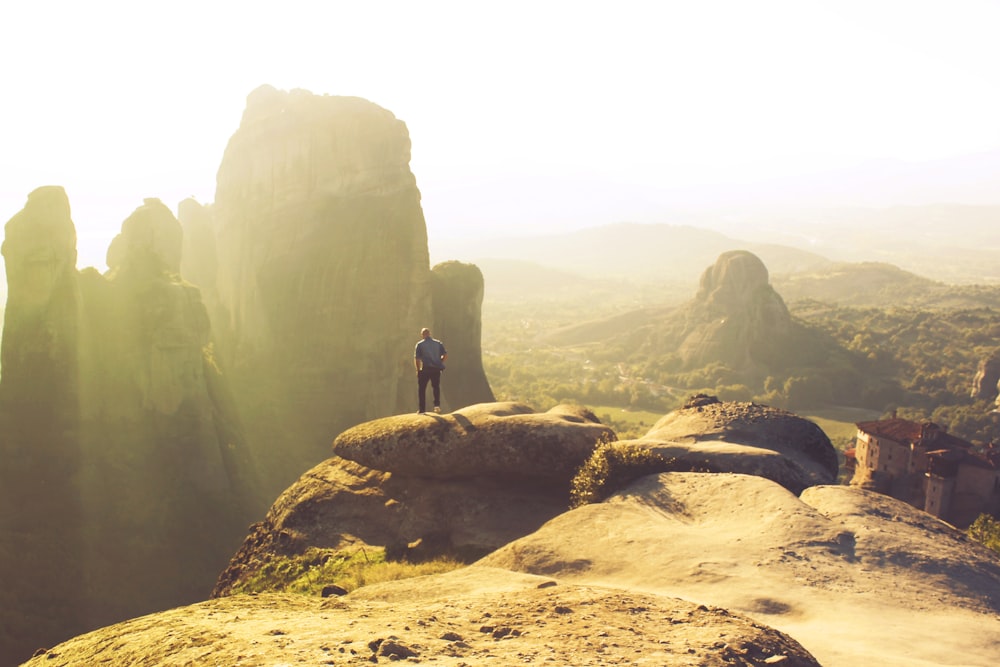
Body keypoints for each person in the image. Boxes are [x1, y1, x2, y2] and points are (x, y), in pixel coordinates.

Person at [414, 327, 447, 414]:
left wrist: (418, 370)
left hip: (425, 369)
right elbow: (445, 355)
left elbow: (417, 359)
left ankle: (422, 409)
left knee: (422, 389)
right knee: (436, 387)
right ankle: (437, 406)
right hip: (436, 369)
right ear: (429, 334)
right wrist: (440, 362)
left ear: (422, 335)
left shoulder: (420, 345)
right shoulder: (438, 343)